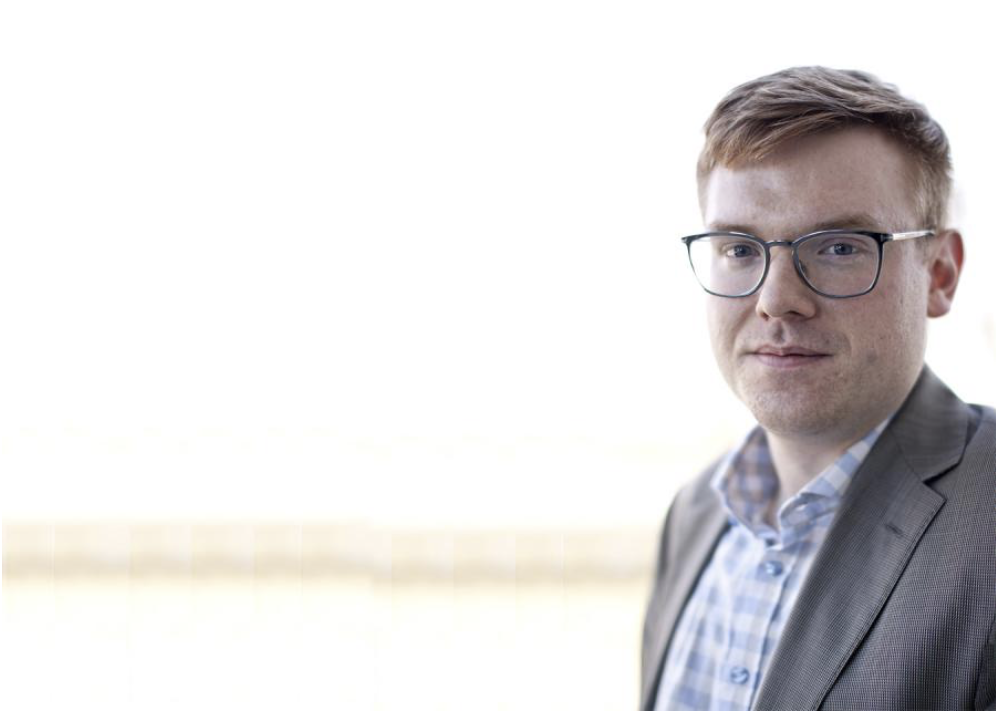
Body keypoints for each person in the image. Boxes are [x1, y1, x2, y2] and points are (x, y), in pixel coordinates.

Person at [640, 66, 996, 710]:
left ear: (939, 273)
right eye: (740, 249)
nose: (777, 302)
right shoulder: (692, 518)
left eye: (838, 247)